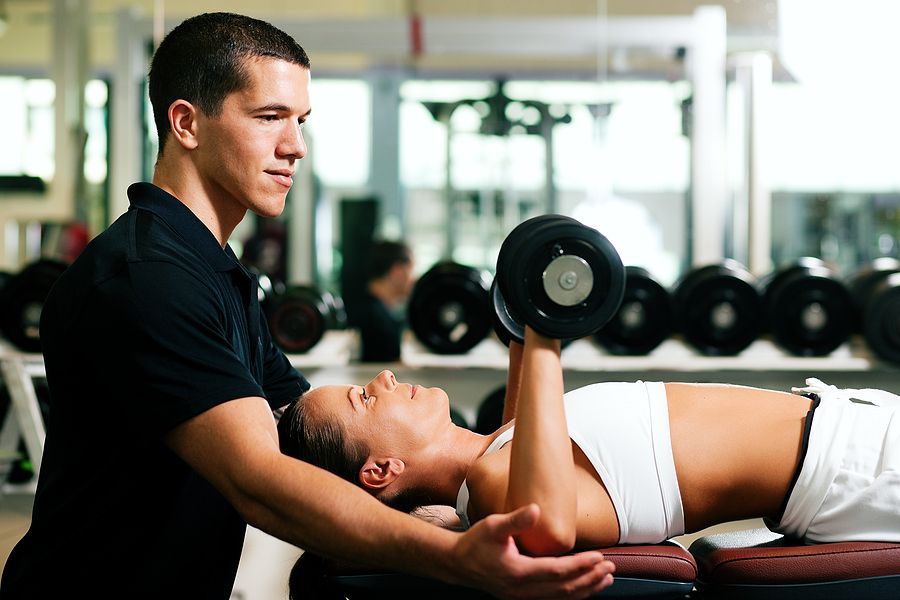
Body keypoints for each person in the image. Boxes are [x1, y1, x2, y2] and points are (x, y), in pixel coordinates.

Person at [0, 13, 615, 599]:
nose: (295, 146)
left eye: (301, 120)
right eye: (270, 117)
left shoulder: (213, 271)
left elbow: (309, 432)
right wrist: (454, 559)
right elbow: (258, 478)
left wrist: (457, 493)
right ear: (186, 123)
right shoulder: (148, 279)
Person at [279, 326, 900, 557]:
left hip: (853, 433)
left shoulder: (498, 455)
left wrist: (521, 329)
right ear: (381, 470)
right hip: (855, 466)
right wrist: (546, 334)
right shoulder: (499, 490)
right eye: (365, 397)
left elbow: (520, 424)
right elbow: (545, 524)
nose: (385, 379)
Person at [348, 239, 415, 362]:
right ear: (397, 271)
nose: (413, 279)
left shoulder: (368, 308)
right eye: (411, 269)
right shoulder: (377, 320)